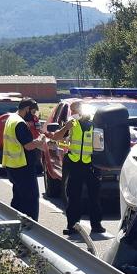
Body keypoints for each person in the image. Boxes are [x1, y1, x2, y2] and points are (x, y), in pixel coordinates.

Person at [51, 101, 106, 236]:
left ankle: (96, 225)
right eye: (72, 111)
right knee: (73, 196)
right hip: (75, 163)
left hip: (91, 164)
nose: (74, 113)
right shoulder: (72, 124)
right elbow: (56, 137)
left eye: (75, 110)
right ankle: (72, 225)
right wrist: (66, 128)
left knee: (94, 196)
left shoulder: (95, 124)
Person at [1, 98, 50, 221]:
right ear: (27, 109)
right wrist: (41, 140)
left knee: (18, 199)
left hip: (13, 165)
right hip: (22, 166)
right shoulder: (20, 123)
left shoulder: (11, 119)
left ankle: (15, 226)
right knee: (31, 199)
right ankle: (32, 227)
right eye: (33, 112)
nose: (33, 116)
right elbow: (28, 145)